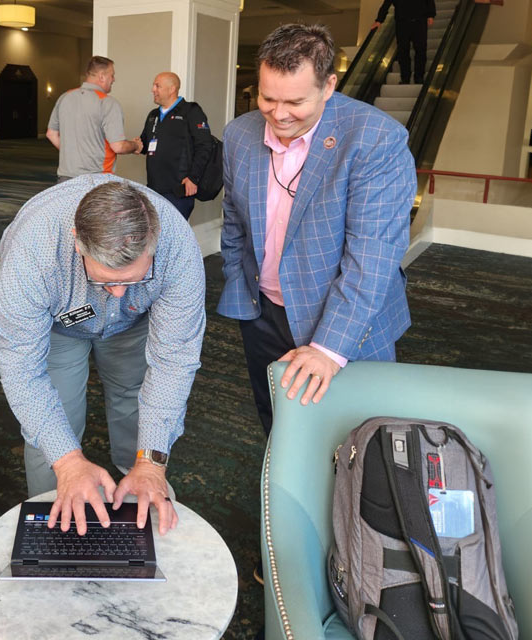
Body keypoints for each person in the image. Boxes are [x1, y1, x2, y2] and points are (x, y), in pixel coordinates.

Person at [219, 23, 415, 436]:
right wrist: (240, 284)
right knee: (278, 422)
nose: (278, 113)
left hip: (344, 320)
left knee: (357, 434)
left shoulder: (376, 139)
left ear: (329, 86)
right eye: (267, 97)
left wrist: (328, 348)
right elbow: (234, 221)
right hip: (263, 313)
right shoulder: (239, 134)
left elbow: (373, 256)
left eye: (295, 101)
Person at [0, 176, 205, 536]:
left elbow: (174, 360)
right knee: (55, 424)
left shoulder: (178, 246)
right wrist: (69, 461)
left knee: (132, 401)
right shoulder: (31, 253)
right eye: (106, 280)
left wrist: (152, 463)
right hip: (58, 325)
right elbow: (21, 370)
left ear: (154, 244)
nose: (118, 293)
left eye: (133, 279)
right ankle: (53, 512)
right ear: (78, 243)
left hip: (135, 323)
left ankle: (138, 492)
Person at [46, 56, 142, 181]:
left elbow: (51, 134)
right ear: (102, 76)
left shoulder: (65, 97)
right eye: (112, 75)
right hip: (97, 179)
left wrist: (74, 153)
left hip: (66, 177)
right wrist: (135, 145)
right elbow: (118, 146)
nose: (113, 79)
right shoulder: (108, 103)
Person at [136, 72, 214, 220]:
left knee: (172, 234)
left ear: (172, 89)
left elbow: (204, 145)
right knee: (156, 234)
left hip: (179, 190)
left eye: (157, 86)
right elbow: (145, 144)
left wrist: (193, 178)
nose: (153, 89)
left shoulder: (191, 111)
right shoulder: (153, 115)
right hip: (154, 188)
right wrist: (133, 145)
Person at [373, 0, 437, 85]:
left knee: (420, 50)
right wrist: (379, 20)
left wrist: (431, 15)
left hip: (419, 21)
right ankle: (405, 78)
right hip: (402, 23)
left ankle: (419, 77)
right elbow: (386, 3)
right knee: (403, 51)